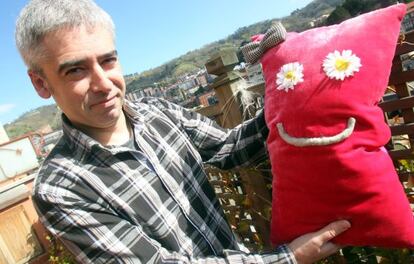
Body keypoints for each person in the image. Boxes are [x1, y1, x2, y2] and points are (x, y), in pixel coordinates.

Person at [15, 0, 350, 263]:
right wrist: (287, 259)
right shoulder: (61, 188)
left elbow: (230, 148)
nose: (104, 84)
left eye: (108, 61)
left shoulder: (161, 114)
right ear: (41, 83)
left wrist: (292, 97)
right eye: (75, 70)